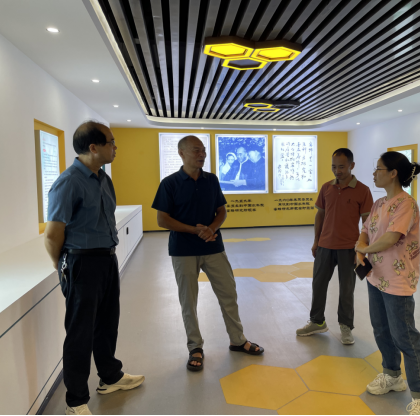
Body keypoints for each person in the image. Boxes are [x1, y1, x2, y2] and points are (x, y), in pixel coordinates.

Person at [44, 121, 144, 416]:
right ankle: (75, 401)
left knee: (107, 323)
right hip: (81, 262)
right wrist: (62, 266)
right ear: (93, 147)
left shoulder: (103, 179)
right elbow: (52, 235)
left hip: (106, 259)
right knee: (80, 332)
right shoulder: (68, 182)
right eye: (111, 142)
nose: (115, 147)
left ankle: (110, 376)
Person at [152, 135, 265, 372]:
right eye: (196, 150)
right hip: (183, 250)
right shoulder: (169, 183)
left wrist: (211, 229)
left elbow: (221, 211)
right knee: (188, 301)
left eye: (203, 150)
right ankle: (195, 347)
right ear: (181, 153)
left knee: (228, 292)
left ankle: (237, 340)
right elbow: (162, 220)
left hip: (213, 246)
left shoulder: (211, 180)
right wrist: (195, 230)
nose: (202, 154)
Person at [355, 152, 420, 416]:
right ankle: (391, 375)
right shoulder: (379, 203)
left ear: (393, 173)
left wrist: (363, 250)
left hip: (398, 281)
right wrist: (361, 246)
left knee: (405, 337)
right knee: (381, 330)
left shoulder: (406, 204)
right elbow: (365, 229)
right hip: (375, 277)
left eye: (378, 169)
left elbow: (390, 239)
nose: (374, 174)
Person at [296, 148, 373, 345]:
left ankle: (346, 326)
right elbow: (320, 215)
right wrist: (316, 241)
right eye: (334, 167)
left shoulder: (363, 190)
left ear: (351, 166)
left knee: (346, 289)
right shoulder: (326, 188)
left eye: (341, 167)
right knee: (318, 284)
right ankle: (317, 321)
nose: (337, 171)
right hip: (325, 246)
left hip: (349, 248)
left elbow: (367, 223)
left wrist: (362, 249)